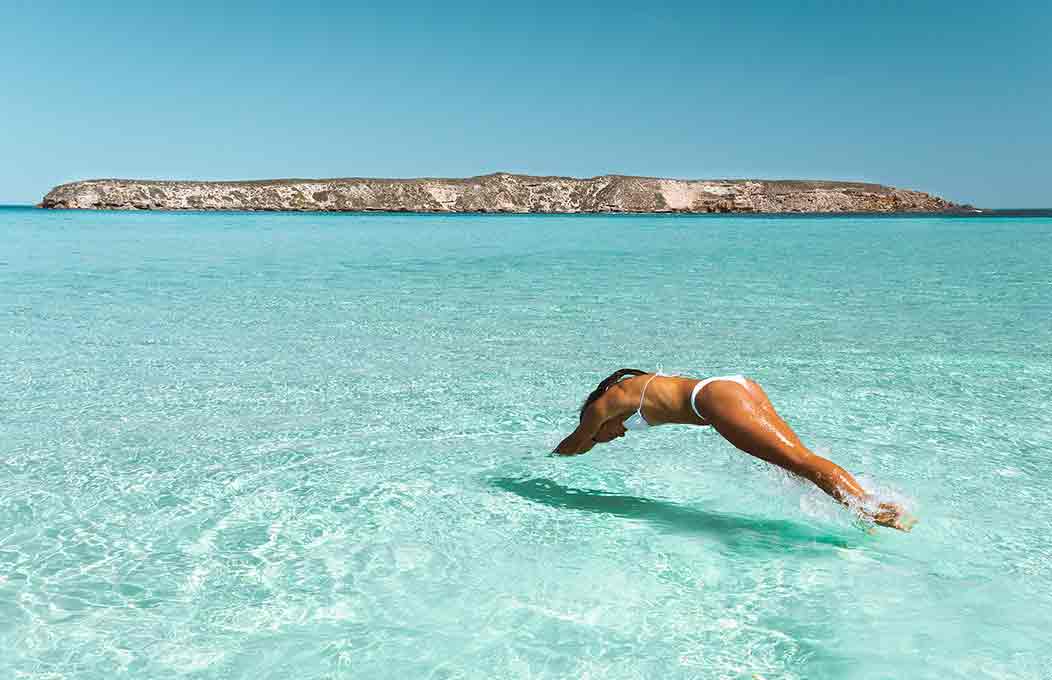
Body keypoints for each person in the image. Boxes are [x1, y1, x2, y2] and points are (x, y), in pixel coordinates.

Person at [554, 369, 915, 531]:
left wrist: (545, 460)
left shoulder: (601, 408)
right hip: (731, 386)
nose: (616, 437)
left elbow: (576, 446)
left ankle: (875, 510)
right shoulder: (629, 388)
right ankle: (858, 502)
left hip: (715, 401)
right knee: (792, 464)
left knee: (801, 462)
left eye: (609, 435)